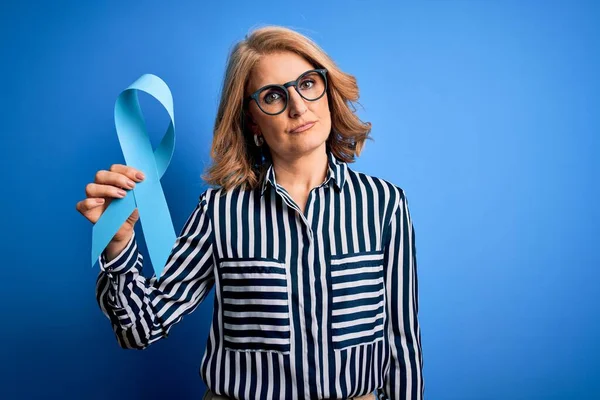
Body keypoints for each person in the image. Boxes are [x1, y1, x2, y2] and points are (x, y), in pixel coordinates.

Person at [76, 25, 423, 400]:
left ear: (327, 89)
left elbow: (402, 344)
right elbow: (138, 329)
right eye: (273, 96)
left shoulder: (385, 205)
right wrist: (118, 246)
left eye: (307, 83)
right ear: (253, 121)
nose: (298, 106)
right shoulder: (219, 211)